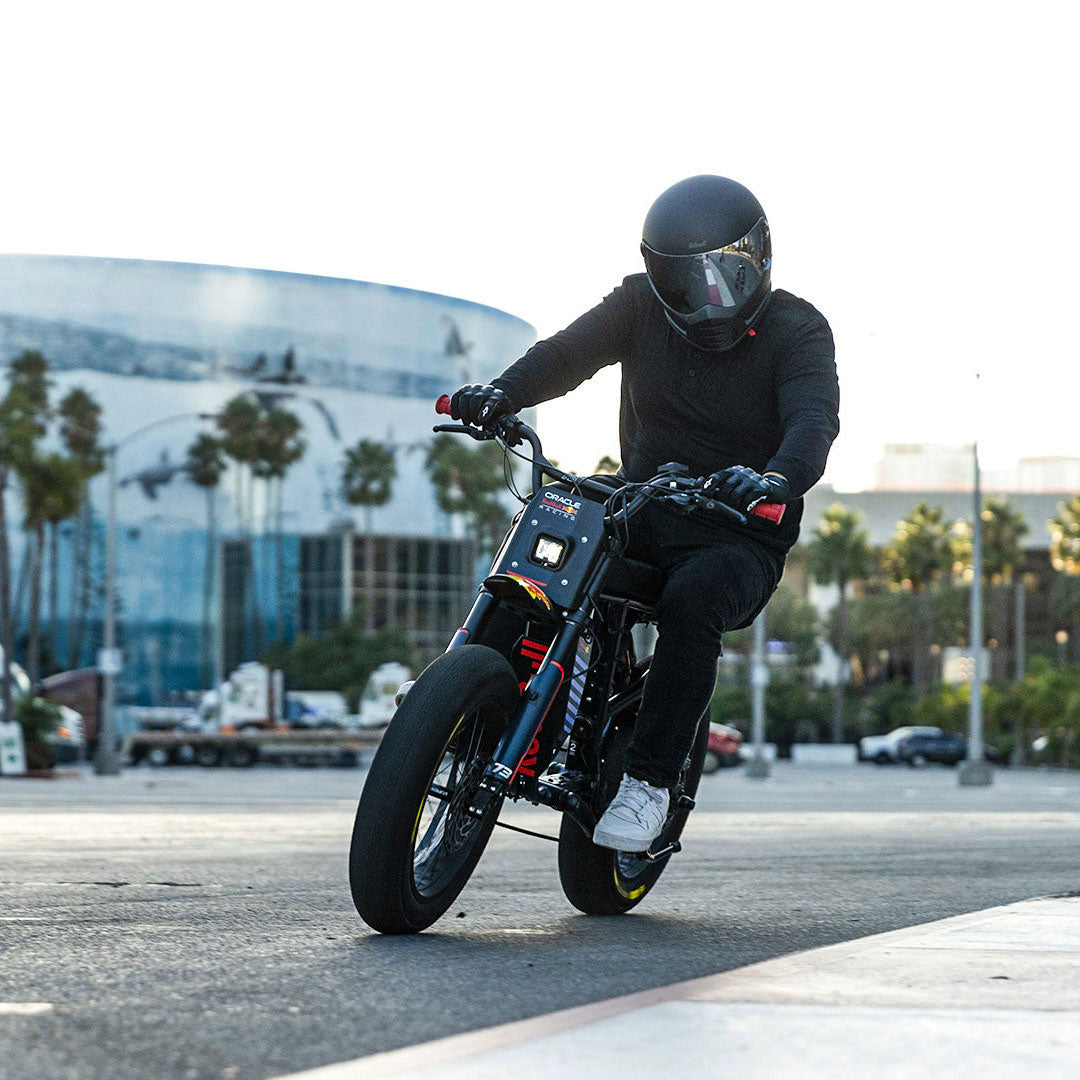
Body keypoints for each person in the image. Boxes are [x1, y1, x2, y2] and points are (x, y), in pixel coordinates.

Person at [449, 175, 840, 851]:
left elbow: (813, 421)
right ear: (661, 276)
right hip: (644, 501)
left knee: (693, 599)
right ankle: (460, 690)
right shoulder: (636, 306)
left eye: (727, 272)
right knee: (556, 515)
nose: (710, 295)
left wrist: (776, 478)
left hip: (739, 530)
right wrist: (502, 394)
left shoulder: (798, 330)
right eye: (690, 281)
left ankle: (648, 782)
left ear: (760, 257)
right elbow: (568, 355)